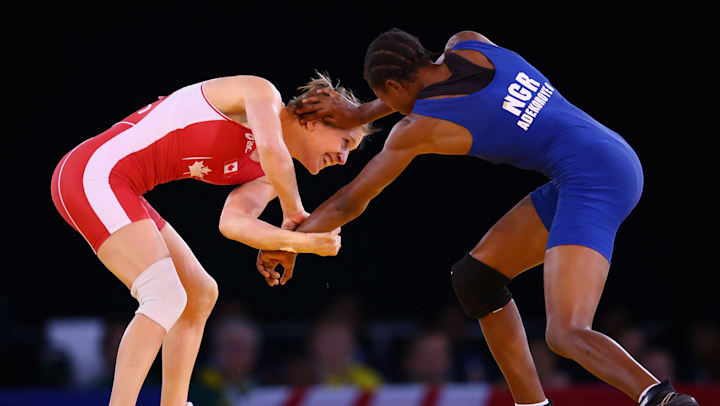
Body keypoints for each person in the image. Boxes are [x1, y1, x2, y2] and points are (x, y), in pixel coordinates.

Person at [256, 29, 699, 406]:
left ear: (389, 89)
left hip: (593, 180)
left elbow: (351, 201)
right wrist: (362, 111)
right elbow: (418, 90)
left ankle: (667, 401)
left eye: (380, 97)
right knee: (476, 279)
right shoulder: (468, 42)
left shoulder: (419, 129)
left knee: (566, 333)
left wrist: (289, 243)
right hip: (601, 156)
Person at [50, 72, 373, 406]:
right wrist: (294, 213)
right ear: (314, 122)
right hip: (93, 174)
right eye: (345, 143)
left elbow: (232, 223)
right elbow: (271, 147)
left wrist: (302, 243)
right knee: (164, 295)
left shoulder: (268, 175)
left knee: (199, 294)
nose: (343, 158)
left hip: (120, 187)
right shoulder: (262, 95)